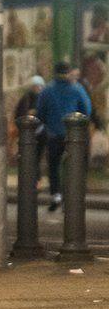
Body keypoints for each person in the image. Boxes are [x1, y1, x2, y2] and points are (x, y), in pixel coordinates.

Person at [37, 62, 92, 212]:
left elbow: (40, 112)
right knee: (71, 167)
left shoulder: (47, 90)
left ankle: (56, 195)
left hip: (53, 134)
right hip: (73, 136)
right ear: (68, 72)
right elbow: (87, 109)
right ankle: (69, 197)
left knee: (53, 166)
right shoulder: (77, 89)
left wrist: (47, 123)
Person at [14, 75, 46, 167]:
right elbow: (19, 114)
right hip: (27, 131)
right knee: (28, 156)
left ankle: (36, 177)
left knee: (37, 156)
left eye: (40, 86)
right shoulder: (26, 99)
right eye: (36, 86)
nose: (38, 88)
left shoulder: (43, 98)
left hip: (41, 130)